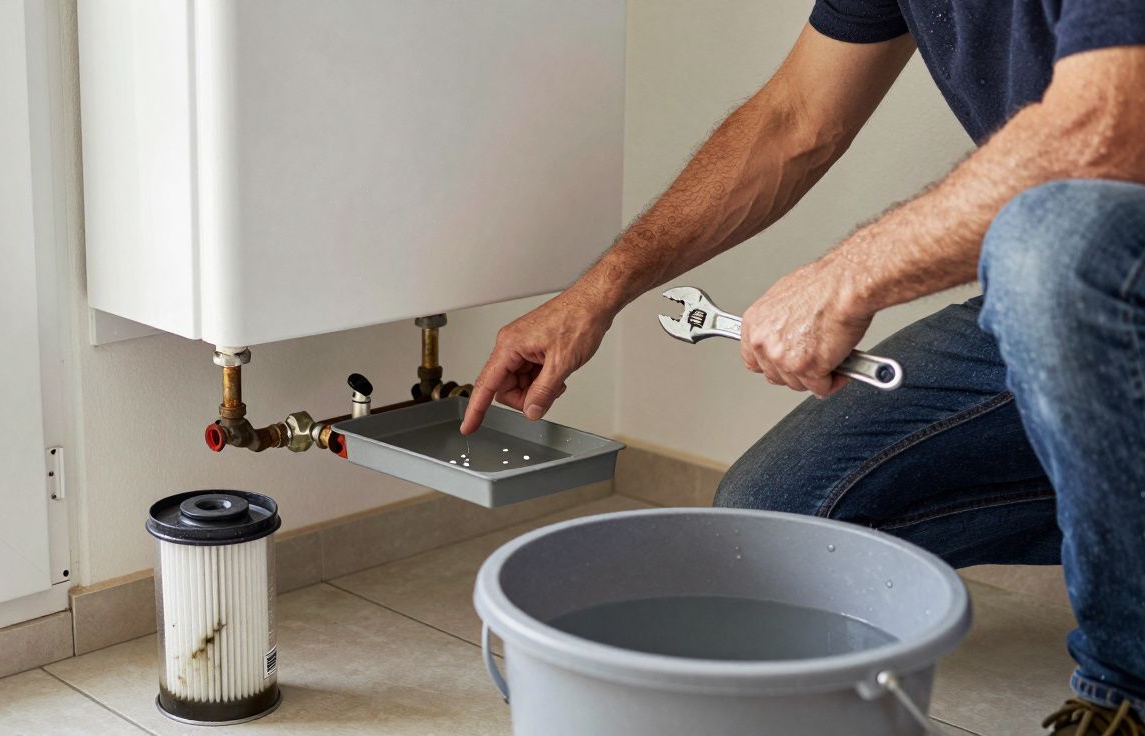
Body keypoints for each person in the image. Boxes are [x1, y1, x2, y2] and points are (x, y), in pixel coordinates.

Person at [459, 2, 1145, 733]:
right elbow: (795, 121)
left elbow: (1104, 132)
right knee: (779, 519)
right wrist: (596, 294)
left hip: (1095, 266)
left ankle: (1124, 691)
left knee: (1048, 239)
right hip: (1098, 317)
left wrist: (845, 278)